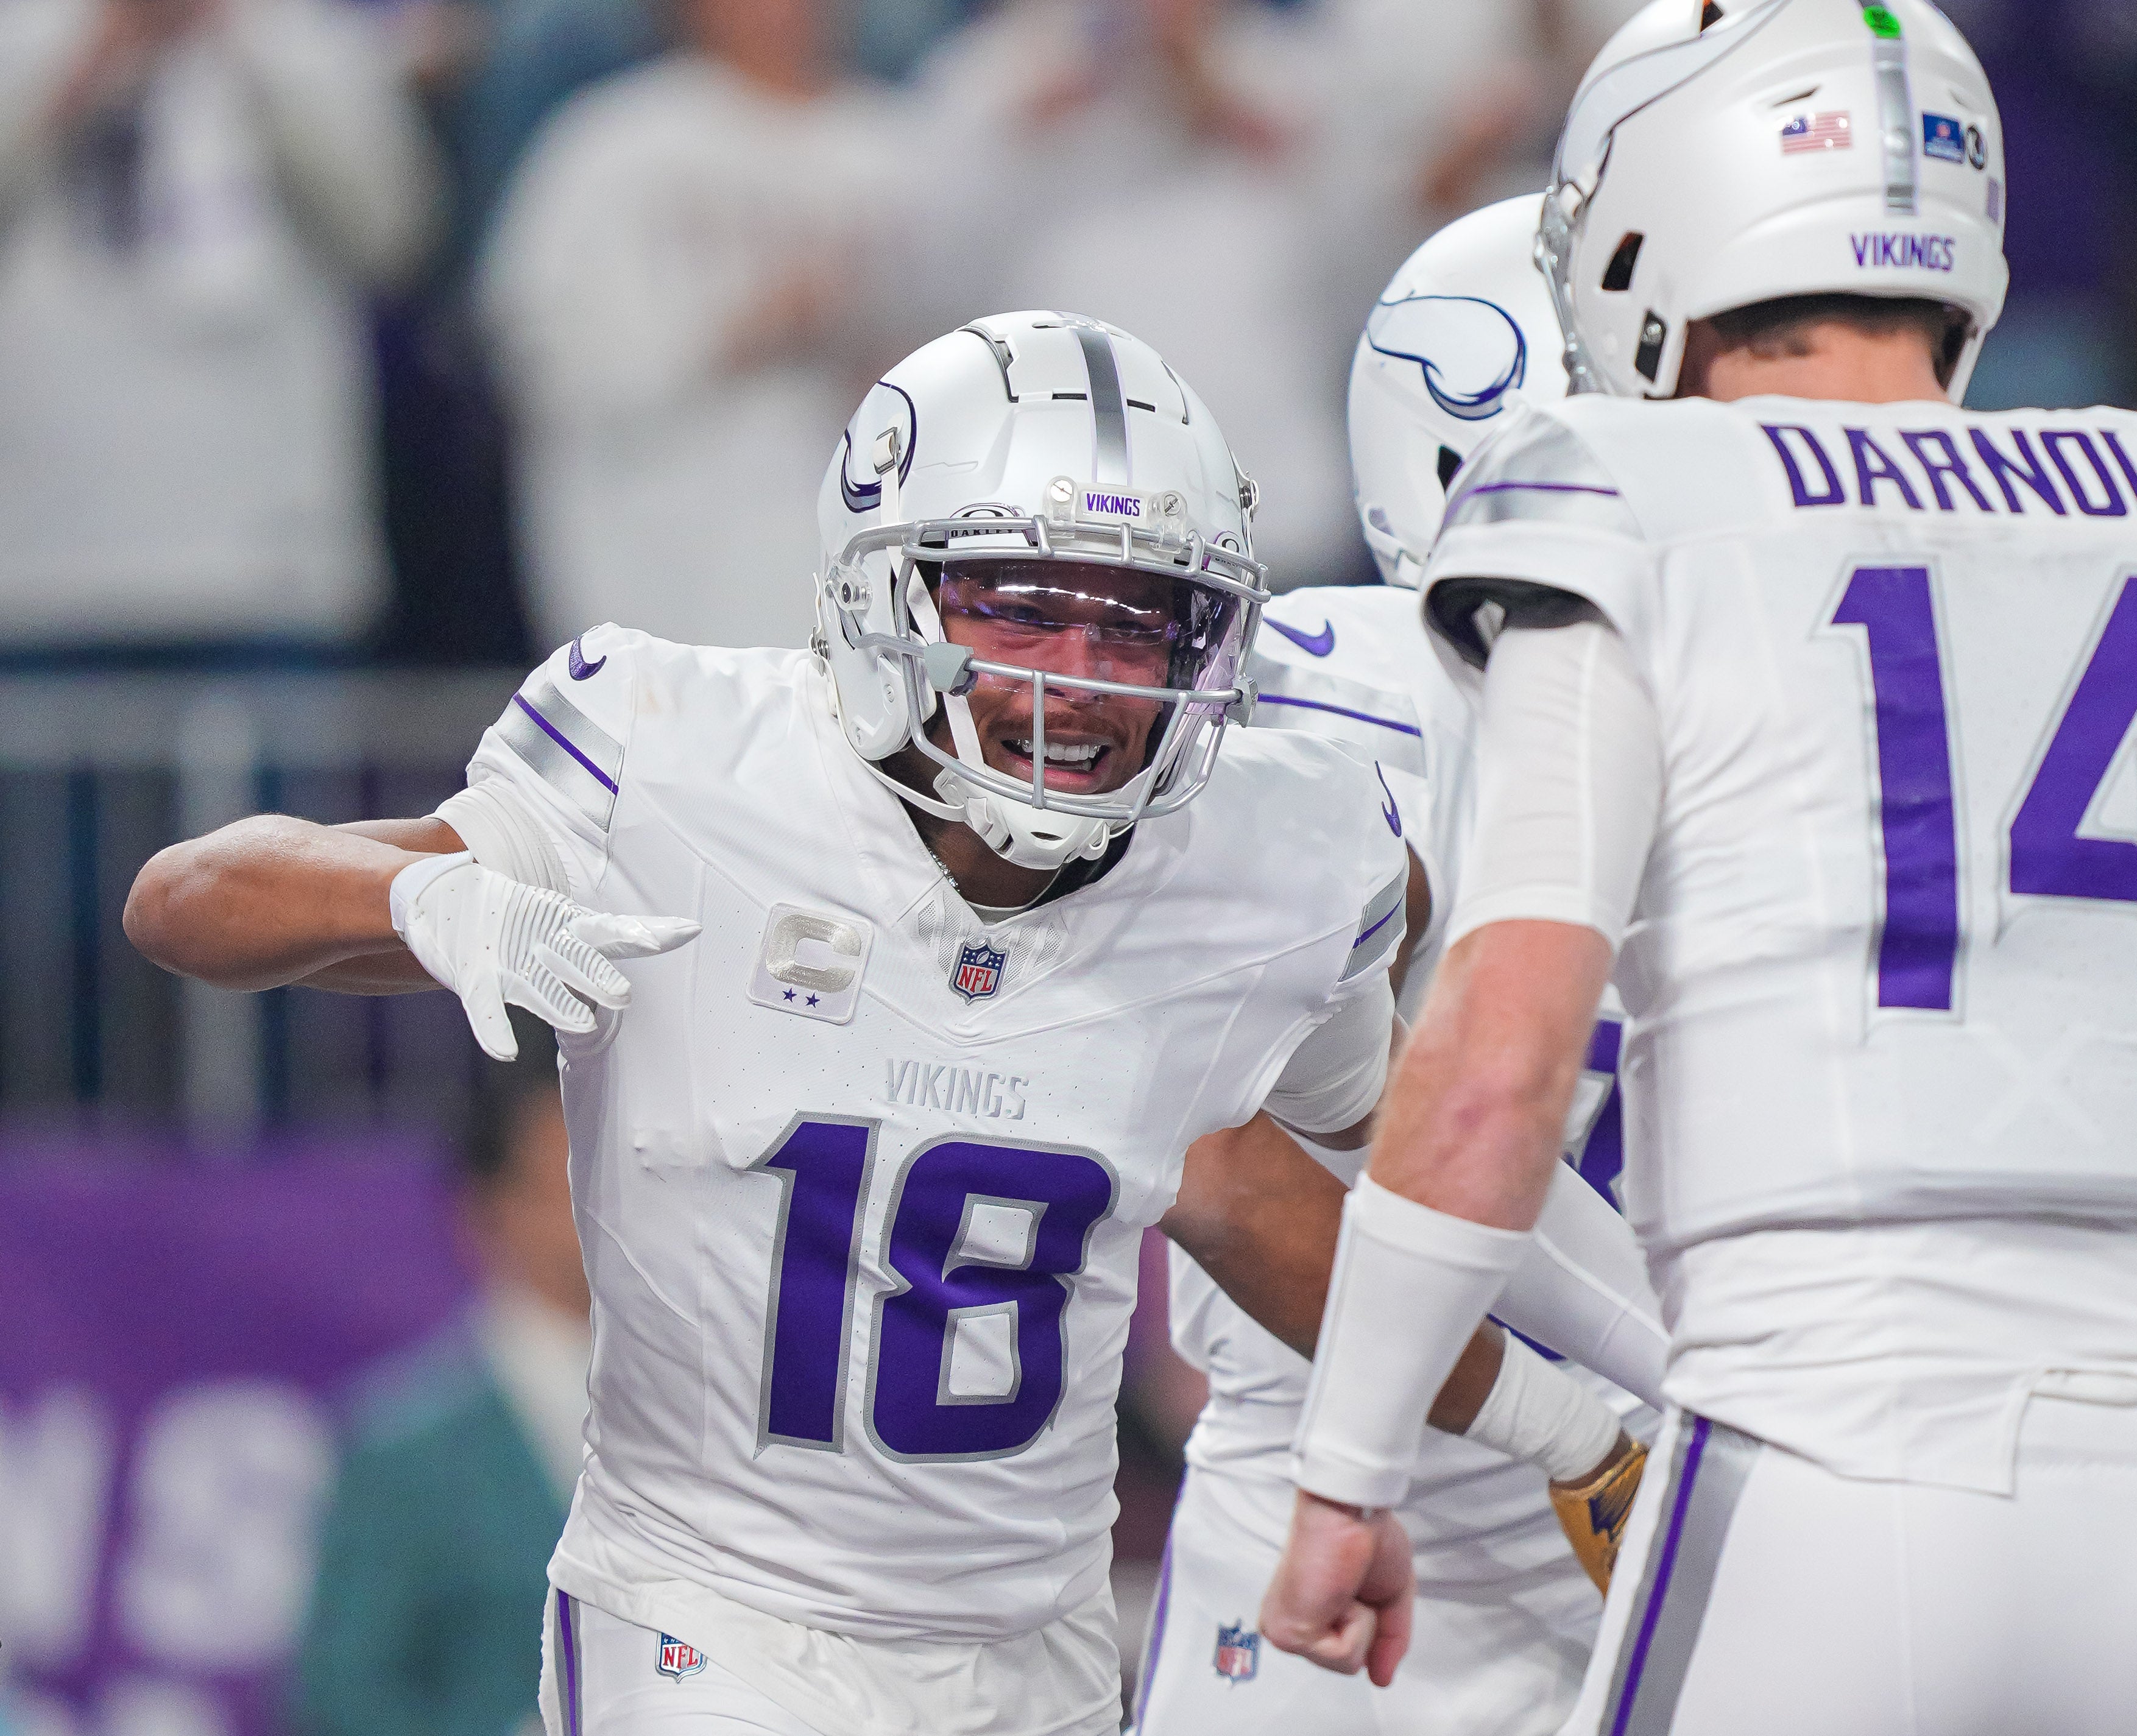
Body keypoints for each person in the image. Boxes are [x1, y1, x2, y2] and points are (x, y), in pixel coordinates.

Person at [1258, 4, 2137, 1731]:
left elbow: (1492, 1078)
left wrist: (1346, 1473)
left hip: (1824, 1468)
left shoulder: (1624, 492)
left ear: (1656, 219)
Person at [125, 311, 1651, 1736]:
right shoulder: (681, 761)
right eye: (1024, 610)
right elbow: (182, 902)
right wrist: (417, 897)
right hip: (710, 1620)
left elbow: (1301, 1184)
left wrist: (1584, 1416)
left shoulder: (1284, 857)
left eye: (1141, 625)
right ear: (884, 597)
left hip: (1033, 1645)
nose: (1081, 680)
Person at [1134, 195, 1665, 1736]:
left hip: (1686, 1470)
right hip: (1376, 1499)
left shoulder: (1798, 687)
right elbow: (1243, 1155)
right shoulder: (1336, 700)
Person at [479, 0, 923, 651]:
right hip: (664, 551)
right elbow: (542, 355)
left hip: (862, 564)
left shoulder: (907, 143)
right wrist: (741, 331)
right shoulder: (614, 142)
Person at [0, 0, 437, 655]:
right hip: (47, 567)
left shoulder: (305, 41)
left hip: (264, 559)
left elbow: (392, 241)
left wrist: (247, 59)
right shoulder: (20, 40)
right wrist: (76, 77)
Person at [297, 1028, 588, 1736]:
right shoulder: (404, 1450)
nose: (598, 1215)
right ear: (486, 1209)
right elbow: (344, 1693)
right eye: (565, 1186)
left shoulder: (712, 1408)